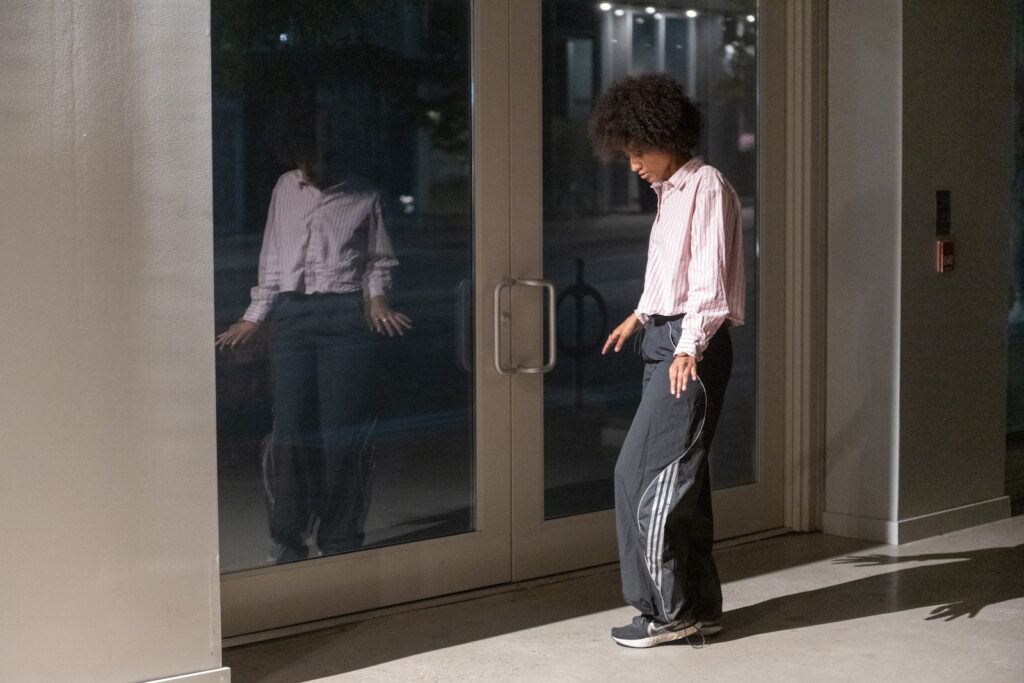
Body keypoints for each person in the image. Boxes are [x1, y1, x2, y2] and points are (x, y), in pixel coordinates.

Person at [216, 105, 411, 562]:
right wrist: (255, 314)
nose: (312, 169)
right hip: (292, 317)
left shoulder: (365, 194)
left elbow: (378, 259)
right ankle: (287, 538)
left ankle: (340, 540)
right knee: (290, 430)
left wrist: (376, 299)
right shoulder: (286, 186)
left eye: (319, 159)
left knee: (340, 431)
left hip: (344, 316)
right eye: (304, 159)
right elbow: (273, 255)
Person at [590, 74, 745, 647]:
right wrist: (641, 313)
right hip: (668, 338)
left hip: (690, 347)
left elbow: (708, 281)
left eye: (637, 151)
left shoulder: (704, 186)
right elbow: (675, 276)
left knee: (640, 476)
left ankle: (666, 612)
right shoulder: (671, 194)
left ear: (666, 136)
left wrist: (687, 346)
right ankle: (700, 607)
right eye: (625, 153)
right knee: (685, 482)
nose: (632, 164)